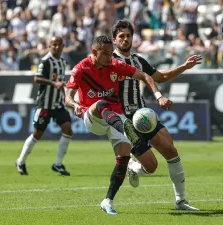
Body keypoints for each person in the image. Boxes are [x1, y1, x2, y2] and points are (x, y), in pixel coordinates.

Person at [65, 36, 172, 215]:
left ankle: (107, 201)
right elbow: (67, 96)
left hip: (116, 116)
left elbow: (144, 75)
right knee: (100, 103)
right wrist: (74, 105)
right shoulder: (81, 68)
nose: (109, 57)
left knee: (149, 165)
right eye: (105, 54)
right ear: (94, 52)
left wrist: (158, 95)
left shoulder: (115, 66)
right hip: (93, 117)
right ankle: (128, 131)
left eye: (110, 52)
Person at [112, 20, 202, 211]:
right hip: (124, 119)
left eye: (128, 36)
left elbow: (159, 77)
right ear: (114, 40)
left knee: (171, 150)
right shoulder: (108, 62)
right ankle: (134, 167)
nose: (126, 39)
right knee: (151, 167)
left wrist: (183, 67)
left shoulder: (138, 60)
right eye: (122, 36)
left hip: (143, 115)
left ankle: (181, 201)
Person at [15, 36, 72, 176]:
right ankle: (20, 161)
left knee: (68, 130)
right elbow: (36, 79)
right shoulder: (46, 61)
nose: (56, 47)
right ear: (50, 46)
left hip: (57, 103)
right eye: (54, 45)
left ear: (63, 46)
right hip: (45, 104)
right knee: (37, 134)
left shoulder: (63, 62)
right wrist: (53, 84)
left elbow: (60, 81)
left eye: (59, 45)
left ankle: (58, 164)